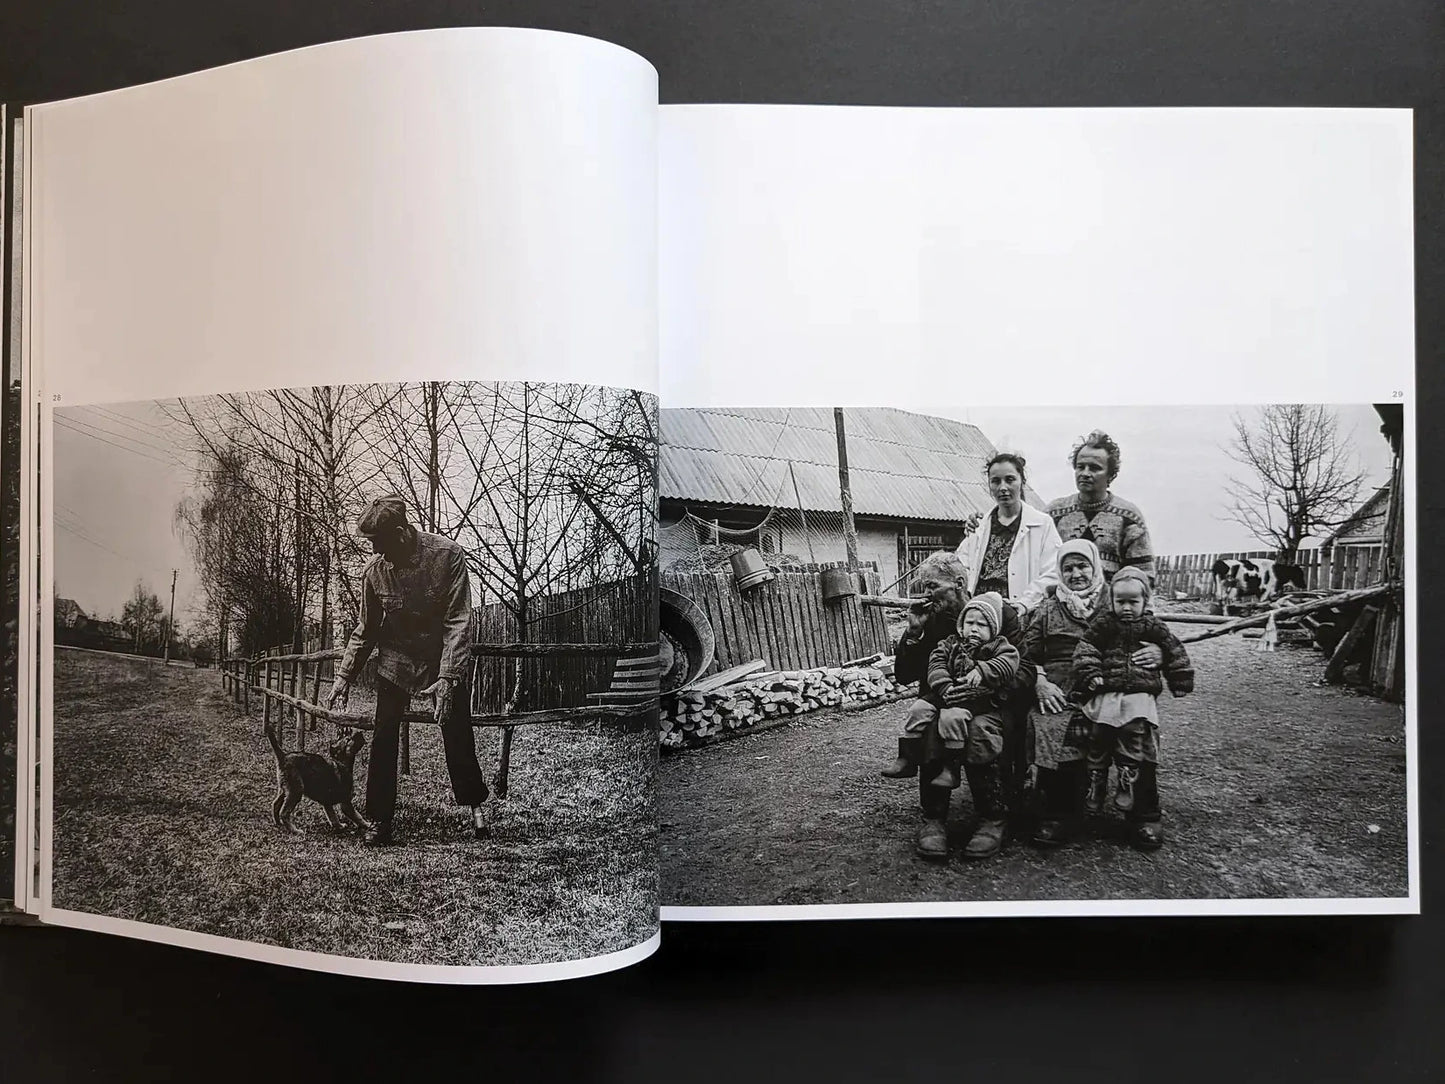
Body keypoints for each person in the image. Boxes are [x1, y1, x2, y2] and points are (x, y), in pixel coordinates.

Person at [328, 496, 488, 846]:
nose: (375, 551)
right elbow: (366, 629)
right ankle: (379, 820)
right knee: (384, 735)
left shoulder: (447, 555)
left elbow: (458, 621)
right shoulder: (374, 571)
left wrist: (447, 678)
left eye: (378, 543)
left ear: (400, 534)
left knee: (457, 730)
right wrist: (344, 676)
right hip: (396, 662)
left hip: (441, 661)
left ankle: (476, 808)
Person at [1070, 567, 1194, 850]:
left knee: (1136, 735)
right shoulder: (1103, 624)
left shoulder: (1154, 627)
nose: (1126, 608)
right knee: (1098, 733)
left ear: (1145, 601)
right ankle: (1097, 777)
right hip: (1107, 690)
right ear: (1111, 601)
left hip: (1138, 693)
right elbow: (1086, 648)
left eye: (1133, 602)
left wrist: (1180, 678)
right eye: (1120, 602)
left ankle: (1129, 782)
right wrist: (1090, 673)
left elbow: (1174, 649)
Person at [955, 452, 1062, 615]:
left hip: (1022, 613)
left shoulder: (1042, 524)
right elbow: (960, 568)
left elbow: (1053, 573)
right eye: (996, 481)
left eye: (1010, 479)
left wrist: (1024, 604)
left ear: (1022, 482)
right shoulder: (979, 526)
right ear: (989, 485)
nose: (1003, 487)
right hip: (979, 613)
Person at [1047, 430, 1155, 583]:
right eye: (1080, 467)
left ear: (1111, 475)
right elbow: (1040, 566)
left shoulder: (1128, 517)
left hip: (1109, 604)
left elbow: (1143, 577)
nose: (1085, 473)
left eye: (1094, 468)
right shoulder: (1054, 513)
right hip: (1061, 603)